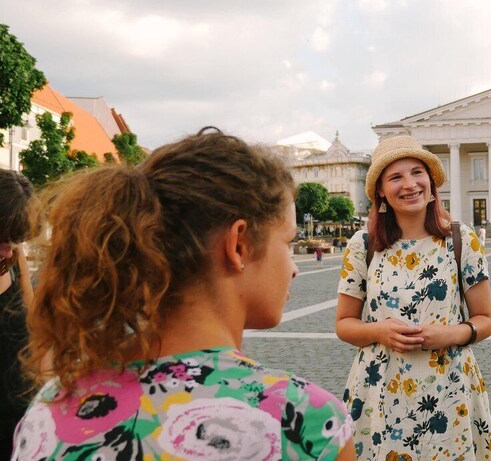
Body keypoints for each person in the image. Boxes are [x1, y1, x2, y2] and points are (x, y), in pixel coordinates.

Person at [14, 129, 356, 460]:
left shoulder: (52, 407)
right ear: (239, 245)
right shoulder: (303, 421)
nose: (294, 267)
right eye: (287, 242)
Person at [335, 135, 491, 460]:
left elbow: (486, 320)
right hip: (380, 388)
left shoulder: (460, 239)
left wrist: (449, 334)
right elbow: (344, 324)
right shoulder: (363, 244)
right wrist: (380, 331)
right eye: (395, 177)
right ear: (380, 189)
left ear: (431, 180)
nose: (409, 184)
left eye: (417, 173)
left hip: (449, 387)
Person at [0, 171, 37, 459]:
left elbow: (32, 321)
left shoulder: (12, 256)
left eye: (16, 239)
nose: (8, 249)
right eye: (1, 238)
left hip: (20, 422)